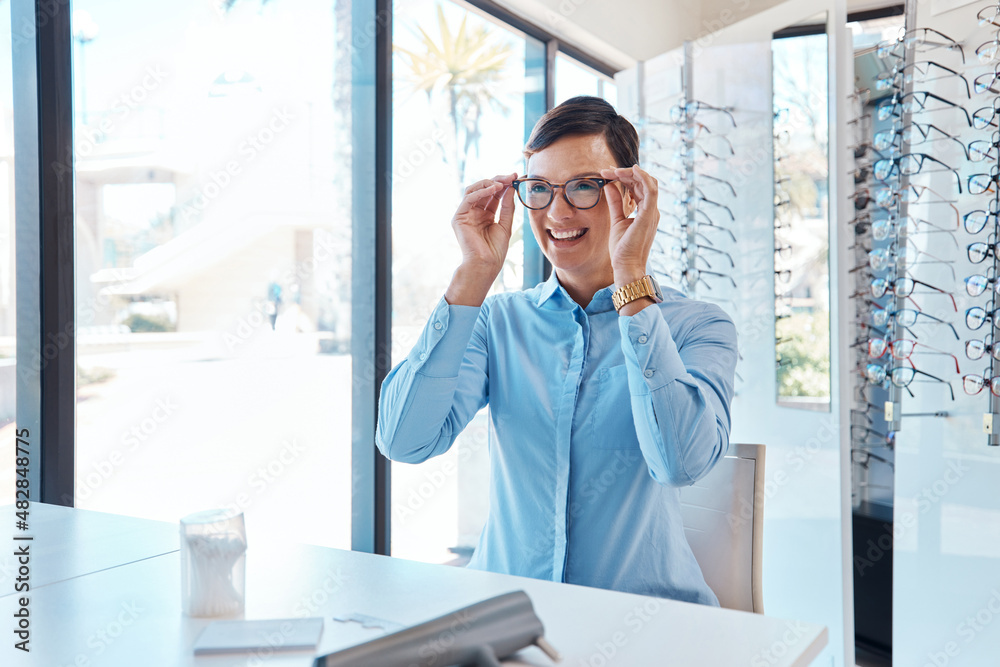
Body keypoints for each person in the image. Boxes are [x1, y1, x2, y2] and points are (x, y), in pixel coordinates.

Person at [376, 95, 738, 605]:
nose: (558, 212)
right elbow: (404, 441)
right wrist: (473, 274)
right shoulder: (495, 321)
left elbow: (679, 463)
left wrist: (632, 277)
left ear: (631, 196)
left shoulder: (698, 326)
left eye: (585, 186)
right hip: (507, 617)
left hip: (646, 626)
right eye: (540, 189)